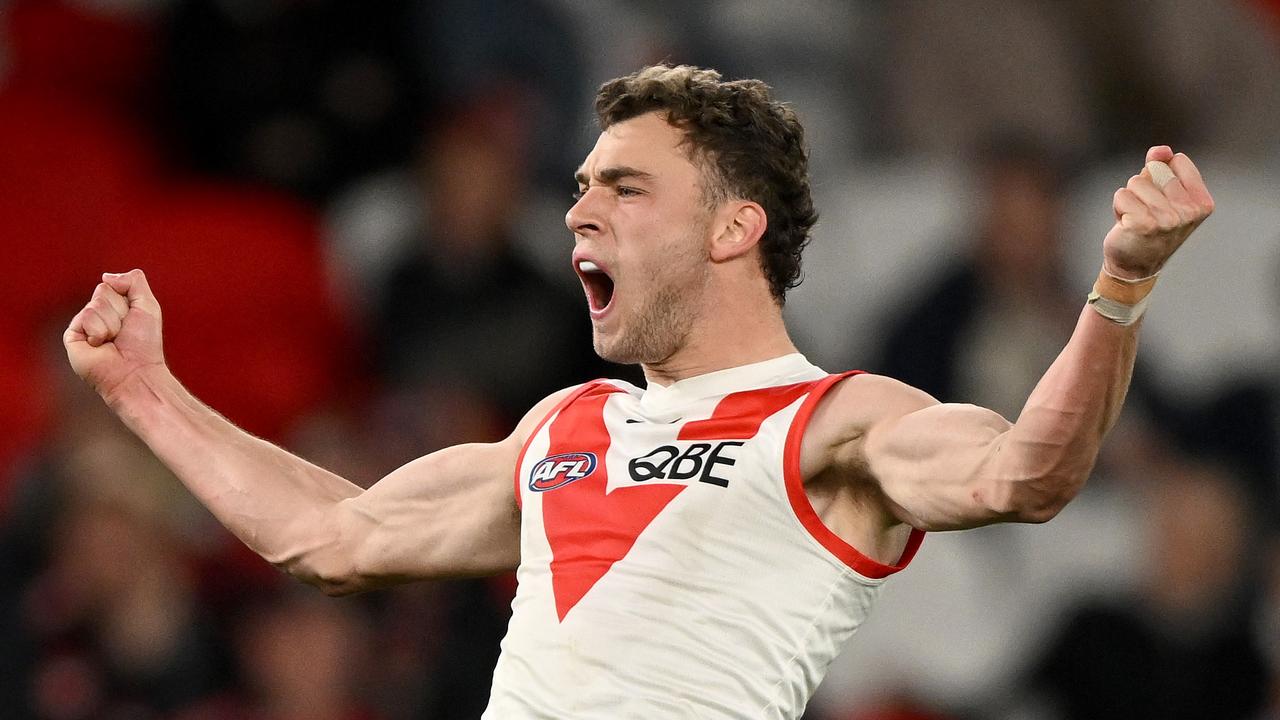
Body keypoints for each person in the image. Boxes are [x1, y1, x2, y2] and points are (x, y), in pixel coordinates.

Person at [63, 65, 1215, 718]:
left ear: (732, 226)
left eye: (623, 188)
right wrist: (145, 392)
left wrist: (1114, 287)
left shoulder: (839, 421)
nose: (577, 212)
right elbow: (329, 533)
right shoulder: (563, 427)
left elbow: (1029, 473)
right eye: (579, 187)